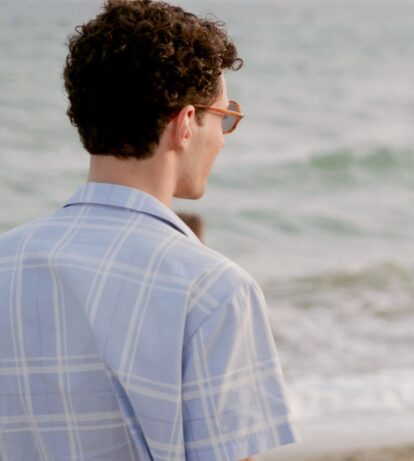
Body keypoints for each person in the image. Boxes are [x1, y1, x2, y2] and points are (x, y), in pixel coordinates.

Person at [0, 1, 295, 459]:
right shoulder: (214, 291)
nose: (222, 136)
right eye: (223, 117)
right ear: (185, 124)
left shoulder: (6, 261)